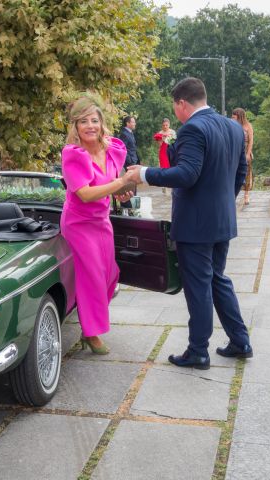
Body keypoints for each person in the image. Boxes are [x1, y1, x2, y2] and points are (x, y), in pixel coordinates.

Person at [124, 77, 252, 369]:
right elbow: (241, 169)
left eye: (175, 106)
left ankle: (198, 351)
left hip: (196, 225)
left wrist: (144, 173)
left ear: (182, 103)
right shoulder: (233, 126)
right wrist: (223, 202)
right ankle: (240, 341)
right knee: (218, 279)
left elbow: (187, 174)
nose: (176, 111)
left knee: (199, 286)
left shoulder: (193, 128)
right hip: (222, 220)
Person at [60, 94, 133, 355]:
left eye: (94, 120)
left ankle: (89, 322)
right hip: (79, 223)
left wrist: (121, 192)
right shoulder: (73, 155)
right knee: (91, 275)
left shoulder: (113, 148)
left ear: (102, 123)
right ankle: (90, 333)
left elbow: (110, 187)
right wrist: (119, 184)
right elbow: (85, 193)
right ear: (76, 128)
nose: (90, 126)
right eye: (83, 122)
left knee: (110, 273)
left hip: (101, 221)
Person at [232, 108, 254, 205]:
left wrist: (248, 153)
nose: (232, 118)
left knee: (247, 172)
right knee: (233, 172)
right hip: (234, 150)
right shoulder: (232, 125)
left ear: (239, 116)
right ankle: (233, 194)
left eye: (234, 116)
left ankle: (246, 194)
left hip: (245, 149)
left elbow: (251, 141)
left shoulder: (248, 126)